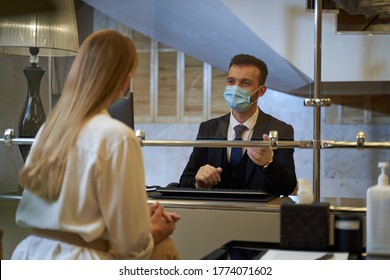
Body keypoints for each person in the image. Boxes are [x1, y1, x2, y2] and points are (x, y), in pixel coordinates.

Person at [11, 29, 180, 260]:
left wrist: (138, 218)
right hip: (80, 261)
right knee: (166, 248)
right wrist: (154, 230)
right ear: (126, 79)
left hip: (29, 255)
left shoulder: (47, 131)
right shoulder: (118, 137)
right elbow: (132, 244)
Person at [179, 54, 297, 196]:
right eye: (231, 81)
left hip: (261, 215)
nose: (235, 88)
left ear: (261, 91)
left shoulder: (281, 130)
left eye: (245, 83)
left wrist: (269, 163)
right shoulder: (208, 128)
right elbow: (185, 180)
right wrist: (198, 183)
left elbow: (289, 188)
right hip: (214, 214)